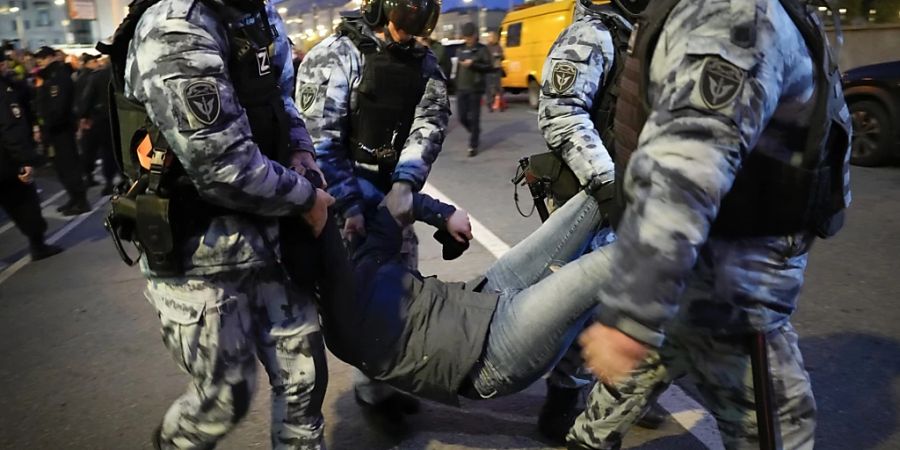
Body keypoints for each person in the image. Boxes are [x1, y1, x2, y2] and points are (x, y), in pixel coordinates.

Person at [565, 0, 851, 449]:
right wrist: (633, 316)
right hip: (733, 290)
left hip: (698, 270)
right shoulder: (738, 14)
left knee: (636, 377)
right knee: (780, 430)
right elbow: (685, 169)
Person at [105, 0, 334, 447]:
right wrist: (307, 198)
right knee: (222, 400)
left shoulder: (257, 12)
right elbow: (222, 167)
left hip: (274, 241)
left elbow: (281, 98)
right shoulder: (176, 27)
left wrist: (302, 151)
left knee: (304, 386)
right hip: (200, 254)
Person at [301, 185, 617, 408]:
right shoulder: (339, 319)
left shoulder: (362, 260)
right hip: (492, 355)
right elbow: (320, 239)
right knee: (610, 260)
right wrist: (312, 199)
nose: (330, 194)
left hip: (482, 297)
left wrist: (445, 215)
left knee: (594, 197)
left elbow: (398, 203)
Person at [295, 0, 447, 434]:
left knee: (397, 296)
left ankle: (384, 384)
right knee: (353, 306)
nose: (410, 35)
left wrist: (405, 182)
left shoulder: (421, 60)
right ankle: (367, 395)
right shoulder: (336, 55)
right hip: (343, 205)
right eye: (405, 22)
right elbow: (318, 143)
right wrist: (350, 207)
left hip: (391, 202)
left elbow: (430, 122)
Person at [536, 0, 665, 441]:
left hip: (646, 193)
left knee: (641, 300)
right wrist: (610, 186)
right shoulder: (593, 32)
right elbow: (560, 113)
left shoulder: (650, 31)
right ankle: (563, 396)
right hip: (596, 198)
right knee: (588, 310)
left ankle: (625, 390)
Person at [0, 53, 63, 261]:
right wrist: (24, 161)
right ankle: (38, 245)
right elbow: (10, 128)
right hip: (7, 163)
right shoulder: (3, 90)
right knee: (26, 204)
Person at [33, 46, 89, 216]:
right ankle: (73, 197)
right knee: (60, 167)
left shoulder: (59, 76)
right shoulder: (47, 77)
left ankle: (81, 201)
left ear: (52, 57)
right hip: (52, 131)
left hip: (62, 130)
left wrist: (47, 124)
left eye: (43, 57)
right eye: (38, 58)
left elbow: (59, 106)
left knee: (69, 166)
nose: (39, 61)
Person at [77, 55, 117, 195]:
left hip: (103, 118)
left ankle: (109, 182)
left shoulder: (97, 76)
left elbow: (87, 99)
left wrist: (84, 116)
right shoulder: (124, 73)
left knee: (107, 151)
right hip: (121, 116)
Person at [454, 22, 493, 157]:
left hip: (475, 88)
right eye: (465, 37)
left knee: (475, 117)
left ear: (475, 35)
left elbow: (489, 67)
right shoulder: (460, 50)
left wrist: (474, 64)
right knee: (462, 116)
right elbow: (457, 69)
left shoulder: (482, 49)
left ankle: (473, 145)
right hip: (461, 87)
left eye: (470, 37)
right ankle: (474, 131)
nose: (468, 40)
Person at [484, 30, 505, 112]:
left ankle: (500, 104)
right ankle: (490, 104)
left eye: (492, 37)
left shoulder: (498, 46)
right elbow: (484, 57)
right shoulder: (486, 47)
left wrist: (499, 55)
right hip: (489, 69)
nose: (491, 38)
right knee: (489, 87)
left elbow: (503, 56)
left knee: (498, 87)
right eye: (489, 37)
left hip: (497, 68)